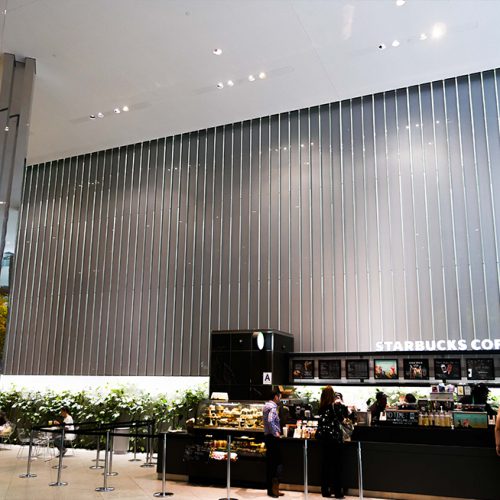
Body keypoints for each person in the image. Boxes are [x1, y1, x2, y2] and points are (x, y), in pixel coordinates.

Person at [316, 386, 348, 499]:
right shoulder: (335, 406)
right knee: (337, 466)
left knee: (326, 465)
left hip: (324, 440)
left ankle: (325, 490)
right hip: (335, 439)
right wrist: (342, 404)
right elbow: (344, 417)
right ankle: (338, 492)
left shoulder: (321, 407)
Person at [263, 389, 283, 498]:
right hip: (272, 438)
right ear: (275, 396)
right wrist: (275, 432)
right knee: (277, 463)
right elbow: (271, 420)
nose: (280, 399)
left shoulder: (266, 406)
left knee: (271, 464)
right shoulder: (273, 407)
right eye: (279, 396)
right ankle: (274, 490)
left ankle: (270, 490)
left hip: (267, 437)